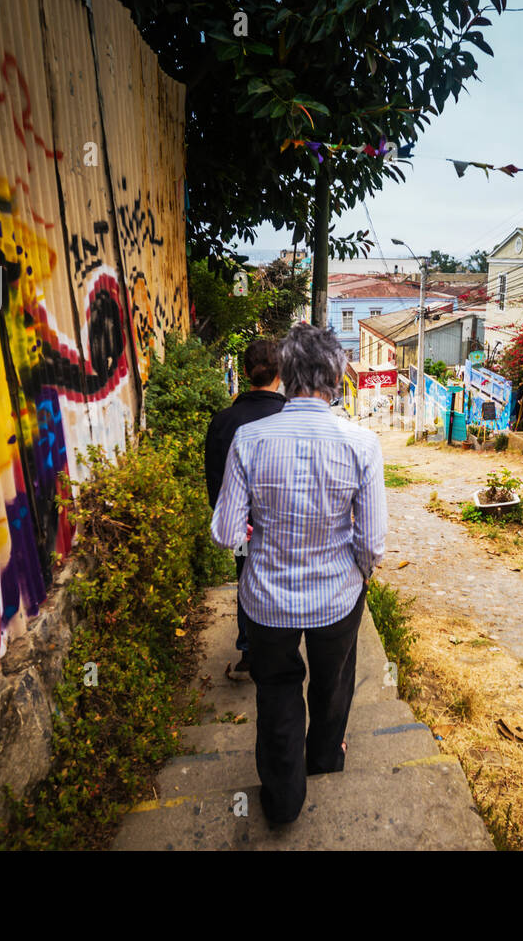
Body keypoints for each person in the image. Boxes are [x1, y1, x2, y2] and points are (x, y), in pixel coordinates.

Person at [211, 323, 387, 826]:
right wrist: (353, 571)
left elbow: (226, 533)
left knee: (277, 690)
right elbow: (372, 543)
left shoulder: (249, 437)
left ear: (286, 374)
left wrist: (259, 538)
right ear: (336, 376)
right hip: (337, 599)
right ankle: (326, 760)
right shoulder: (362, 442)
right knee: (332, 684)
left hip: (267, 602)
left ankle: (285, 801)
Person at [204, 339, 287, 681]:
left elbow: (215, 487)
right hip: (287, 524)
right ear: (281, 373)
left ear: (243, 372)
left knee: (248, 578)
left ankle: (250, 648)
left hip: (242, 527)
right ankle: (280, 648)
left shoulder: (223, 422)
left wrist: (234, 522)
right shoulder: (290, 417)